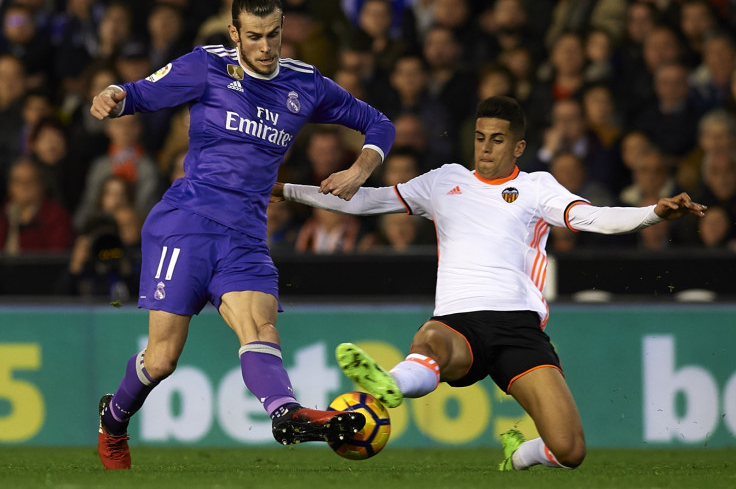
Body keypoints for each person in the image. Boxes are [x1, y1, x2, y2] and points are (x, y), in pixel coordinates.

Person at [271, 95, 706, 471]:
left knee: (570, 450)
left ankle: (519, 456)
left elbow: (594, 218)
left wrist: (654, 212)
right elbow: (367, 202)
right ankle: (391, 384)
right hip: (459, 319)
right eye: (480, 138)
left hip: (518, 328)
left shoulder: (537, 188)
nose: (485, 148)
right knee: (432, 340)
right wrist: (286, 190)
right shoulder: (444, 181)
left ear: (518, 146)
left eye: (497, 140)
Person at [89, 0, 394, 470]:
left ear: (284, 28)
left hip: (246, 234)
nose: (266, 46)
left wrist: (362, 167)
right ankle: (114, 419)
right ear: (234, 34)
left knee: (260, 327)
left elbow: (378, 122)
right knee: (162, 359)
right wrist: (114, 93)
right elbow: (140, 92)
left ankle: (287, 414)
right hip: (185, 223)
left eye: (273, 34)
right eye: (254, 36)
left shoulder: (305, 83)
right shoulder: (204, 66)